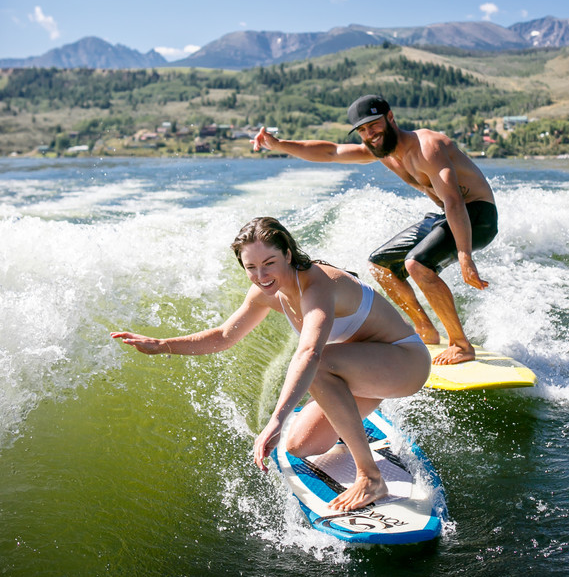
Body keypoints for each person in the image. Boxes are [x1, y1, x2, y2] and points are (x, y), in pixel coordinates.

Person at [111, 216, 431, 513]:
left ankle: (370, 477)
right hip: (361, 371)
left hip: (404, 364)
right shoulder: (266, 291)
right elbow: (224, 336)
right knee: (300, 445)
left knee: (317, 368)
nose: (261, 276)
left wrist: (276, 419)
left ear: (288, 255)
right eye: (250, 267)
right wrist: (163, 345)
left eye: (269, 263)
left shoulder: (318, 284)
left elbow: (309, 354)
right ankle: (350, 425)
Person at [252, 94, 498, 365]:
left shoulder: (429, 146)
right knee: (381, 265)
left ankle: (461, 345)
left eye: (374, 125)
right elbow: (331, 152)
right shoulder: (382, 151)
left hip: (477, 214)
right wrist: (279, 145)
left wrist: (465, 256)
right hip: (447, 214)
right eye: (363, 130)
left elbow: (453, 201)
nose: (370, 134)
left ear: (390, 118)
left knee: (417, 265)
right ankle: (425, 330)